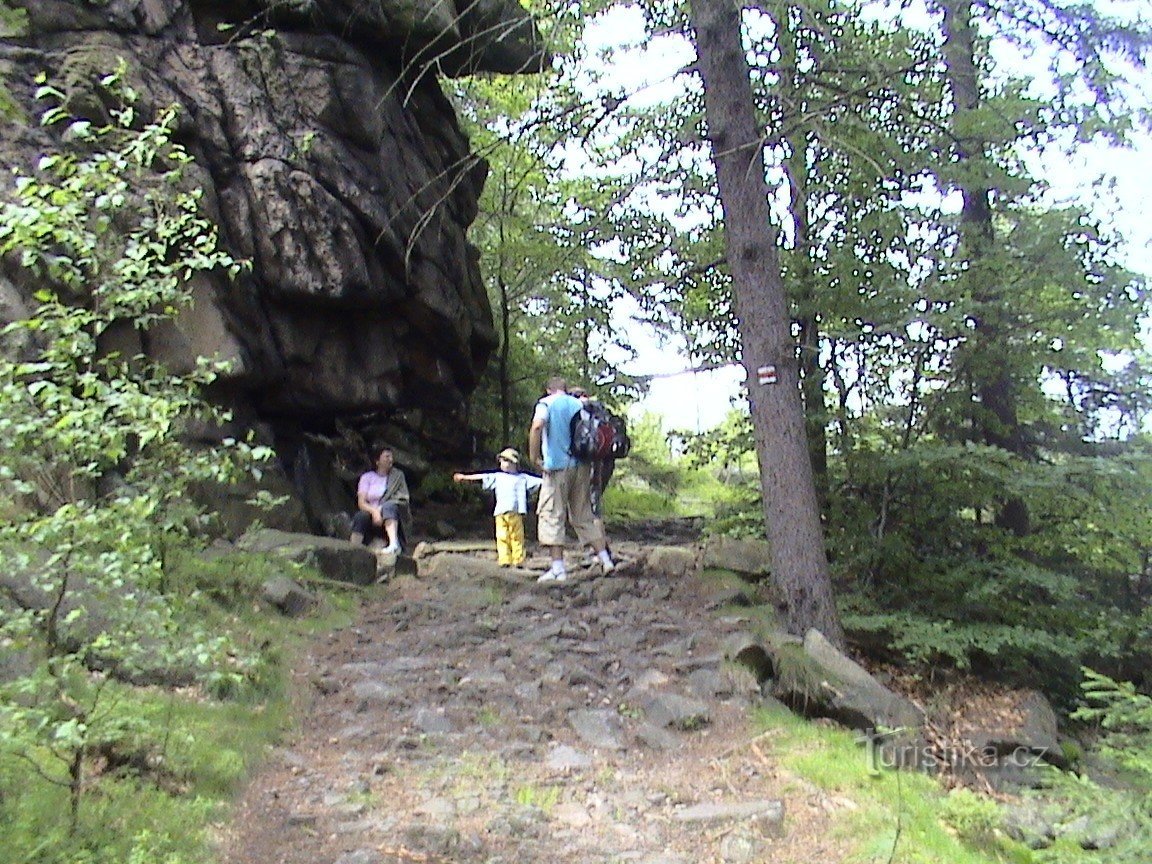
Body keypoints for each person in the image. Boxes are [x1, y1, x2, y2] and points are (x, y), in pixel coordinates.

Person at [529, 376, 615, 582]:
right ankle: (605, 560)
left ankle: (558, 568)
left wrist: (534, 458)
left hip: (557, 468)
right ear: (565, 389)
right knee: (583, 515)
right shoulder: (579, 404)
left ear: (549, 389)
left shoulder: (546, 403)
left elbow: (537, 426)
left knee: (552, 514)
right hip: (582, 466)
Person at [453, 448, 543, 567]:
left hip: (515, 513)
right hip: (500, 512)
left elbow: (542, 481)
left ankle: (518, 559)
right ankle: (504, 559)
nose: (502, 463)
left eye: (506, 461)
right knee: (501, 536)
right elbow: (482, 477)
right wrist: (464, 477)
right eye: (501, 461)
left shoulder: (523, 478)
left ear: (514, 463)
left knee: (517, 537)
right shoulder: (498, 476)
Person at [568, 385, 616, 551]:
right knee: (595, 504)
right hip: (605, 461)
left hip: (586, 462)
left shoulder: (575, 409)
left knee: (589, 509)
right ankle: (599, 549)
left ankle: (599, 551)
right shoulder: (600, 409)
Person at [349, 446, 410, 554]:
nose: (390, 459)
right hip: (371, 514)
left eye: (391, 457)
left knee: (389, 507)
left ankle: (394, 544)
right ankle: (353, 549)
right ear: (377, 461)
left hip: (390, 515)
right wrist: (375, 511)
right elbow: (361, 502)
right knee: (360, 516)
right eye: (387, 457)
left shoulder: (397, 476)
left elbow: (402, 498)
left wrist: (381, 508)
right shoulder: (367, 477)